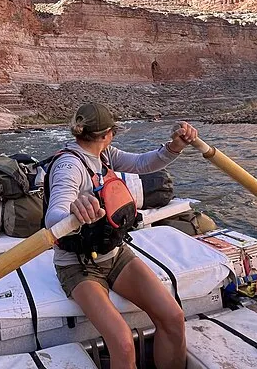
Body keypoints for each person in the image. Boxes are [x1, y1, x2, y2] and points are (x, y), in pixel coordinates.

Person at [43, 102, 197, 369]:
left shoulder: (105, 154)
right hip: (79, 267)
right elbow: (53, 214)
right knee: (123, 342)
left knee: (173, 317)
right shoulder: (69, 165)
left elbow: (143, 163)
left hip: (115, 255)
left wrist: (174, 147)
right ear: (106, 134)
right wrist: (73, 211)